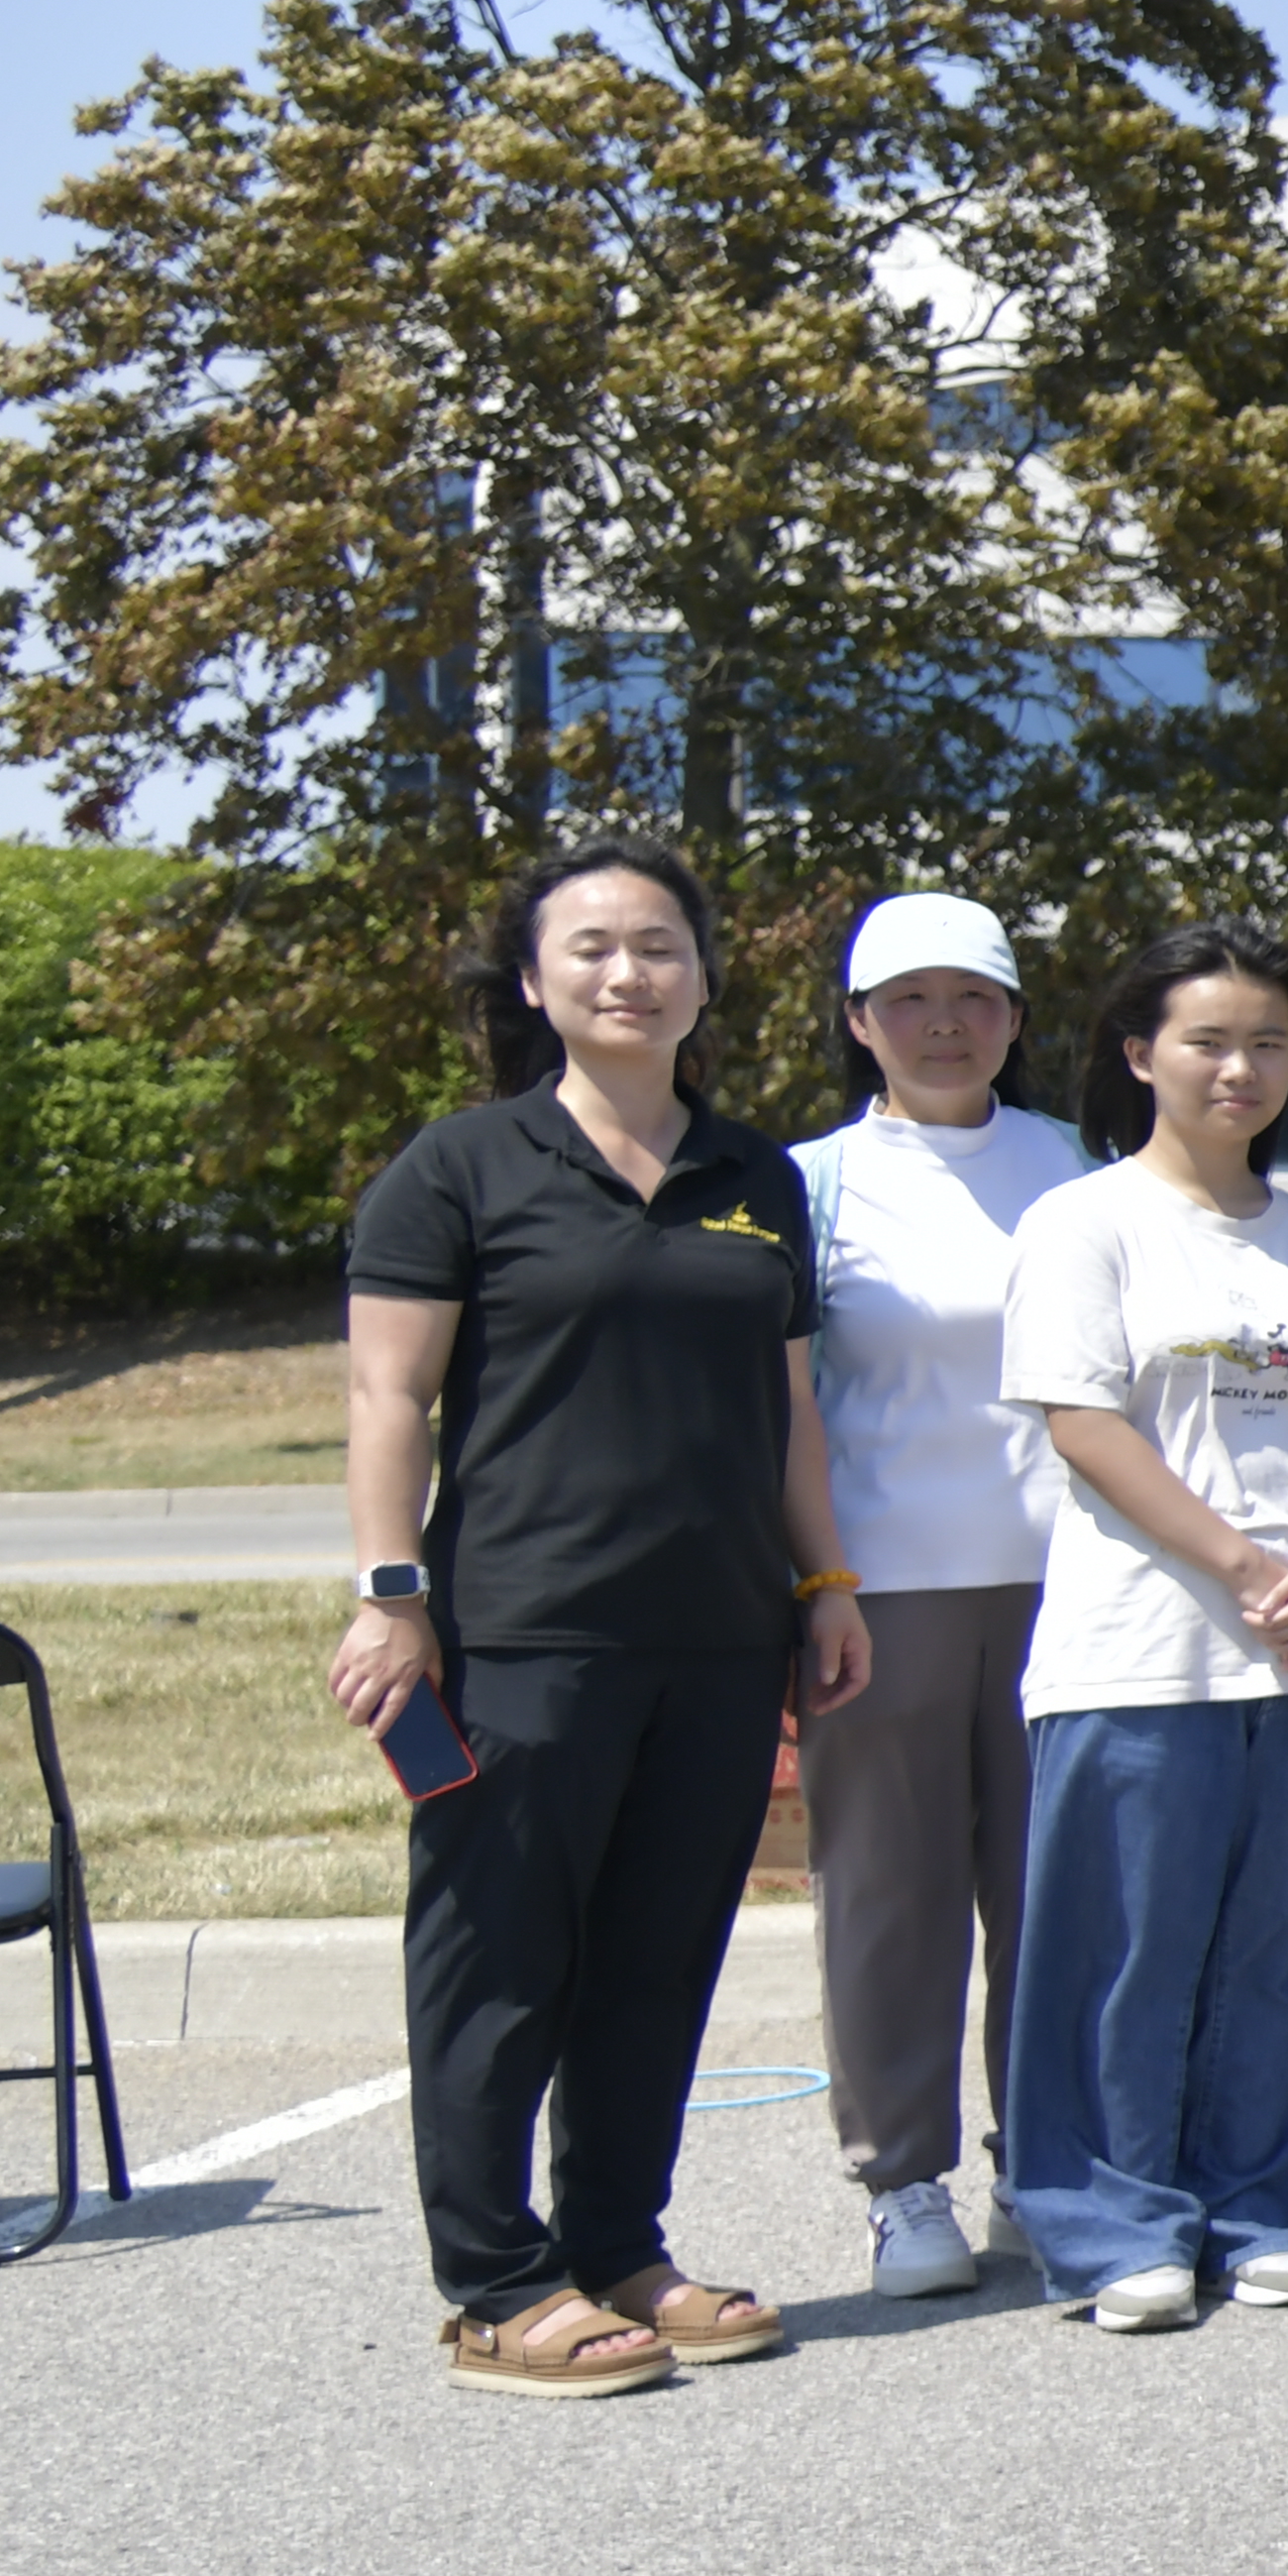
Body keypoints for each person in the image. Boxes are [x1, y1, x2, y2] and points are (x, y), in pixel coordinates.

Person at [335, 841, 870, 2401]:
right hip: (523, 1636)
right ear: (533, 980)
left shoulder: (756, 1176)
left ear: (703, 977)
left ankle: (619, 2248)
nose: (628, 973)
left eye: (659, 946)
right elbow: (386, 1396)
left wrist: (824, 1585)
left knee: (656, 1960)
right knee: (497, 1963)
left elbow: (790, 1410)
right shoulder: (460, 1166)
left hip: (721, 1638)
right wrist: (391, 1595)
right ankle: (497, 2284)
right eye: (590, 948)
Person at [1003, 921, 1288, 2327]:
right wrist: (1243, 1566)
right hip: (1142, 1644)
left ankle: (1267, 2206)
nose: (1241, 1068)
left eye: (1270, 1043)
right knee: (1123, 1951)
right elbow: (1083, 1425)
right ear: (1140, 1054)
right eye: (1208, 1041)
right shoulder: (1084, 1222)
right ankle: (1114, 2228)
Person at [796, 889, 1086, 2305]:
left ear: (1016, 1016)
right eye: (907, 998)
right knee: (890, 1899)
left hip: (1068, 1582)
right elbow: (788, 1406)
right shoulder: (809, 1183)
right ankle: (903, 2182)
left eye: (973, 996)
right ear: (860, 1022)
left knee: (1055, 1894)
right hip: (880, 1590)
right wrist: (814, 1583)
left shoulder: (1075, 1164)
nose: (943, 1024)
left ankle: (1044, 2163)